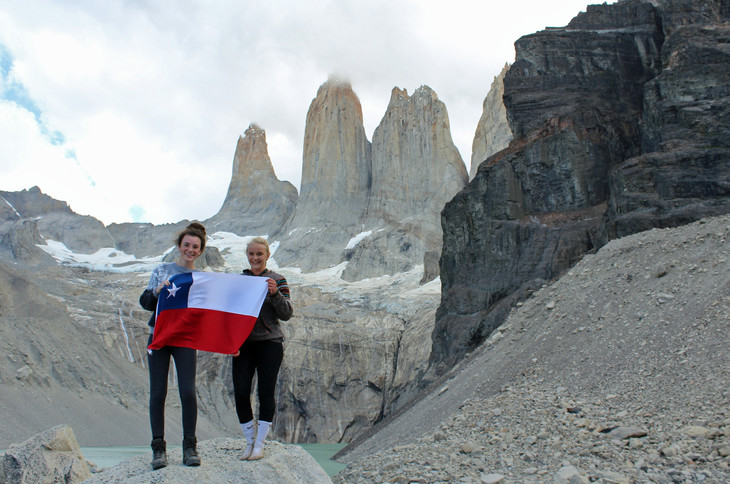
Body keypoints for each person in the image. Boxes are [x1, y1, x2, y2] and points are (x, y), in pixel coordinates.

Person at [139, 222, 207, 469]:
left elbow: (208, 313)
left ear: (200, 251)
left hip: (184, 339)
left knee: (188, 391)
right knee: (158, 392)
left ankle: (190, 446)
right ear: (179, 246)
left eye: (195, 247)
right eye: (186, 245)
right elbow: (145, 302)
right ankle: (159, 449)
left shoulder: (201, 278)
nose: (190, 250)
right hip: (158, 335)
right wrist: (156, 292)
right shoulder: (161, 270)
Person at [232, 236, 293, 460]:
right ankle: (248, 442)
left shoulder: (279, 280)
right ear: (247, 256)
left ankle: (260, 444)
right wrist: (230, 342)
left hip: (270, 344)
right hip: (243, 346)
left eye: (260, 254)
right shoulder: (240, 280)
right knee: (240, 393)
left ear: (267, 256)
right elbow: (230, 314)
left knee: (265, 393)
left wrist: (275, 293)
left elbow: (286, 314)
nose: (255, 257)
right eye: (251, 253)